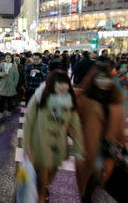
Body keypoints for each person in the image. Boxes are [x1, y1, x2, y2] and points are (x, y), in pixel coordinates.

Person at [23, 70, 84, 203]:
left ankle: (43, 188)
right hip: (39, 143)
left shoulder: (69, 101)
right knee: (43, 170)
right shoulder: (40, 97)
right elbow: (28, 120)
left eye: (66, 83)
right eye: (59, 83)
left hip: (58, 145)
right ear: (52, 84)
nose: (64, 87)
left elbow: (76, 124)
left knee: (52, 172)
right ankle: (41, 195)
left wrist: (78, 147)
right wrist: (26, 145)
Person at [75, 62, 127, 202]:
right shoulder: (84, 98)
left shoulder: (115, 99)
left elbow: (121, 124)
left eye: (107, 78)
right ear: (93, 79)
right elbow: (71, 119)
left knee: (106, 174)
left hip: (110, 145)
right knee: (96, 171)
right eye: (100, 78)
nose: (104, 82)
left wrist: (125, 145)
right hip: (89, 144)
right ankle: (86, 196)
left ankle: (91, 194)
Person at [0, 53, 19, 119]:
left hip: (11, 85)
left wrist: (14, 84)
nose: (8, 59)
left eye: (9, 58)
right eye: (7, 57)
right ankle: (1, 112)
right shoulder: (2, 64)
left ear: (11, 59)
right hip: (3, 85)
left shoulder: (14, 66)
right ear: (5, 58)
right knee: (1, 101)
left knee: (9, 101)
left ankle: (9, 111)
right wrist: (2, 74)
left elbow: (16, 76)